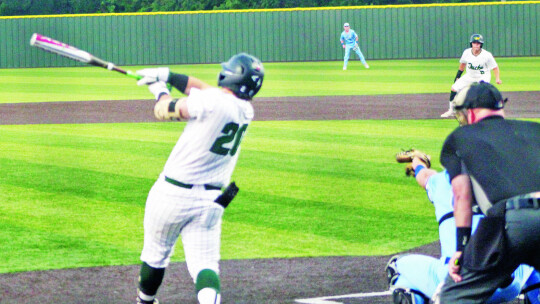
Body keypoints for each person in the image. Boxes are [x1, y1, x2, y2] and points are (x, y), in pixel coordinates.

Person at [133, 53, 264, 304]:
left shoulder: (212, 101)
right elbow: (207, 92)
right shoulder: (246, 110)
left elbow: (163, 111)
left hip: (171, 195)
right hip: (211, 201)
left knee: (156, 255)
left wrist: (160, 89)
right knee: (205, 265)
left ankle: (145, 302)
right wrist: (169, 76)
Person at [436, 82, 540, 303]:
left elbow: (462, 197)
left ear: (471, 112)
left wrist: (461, 250)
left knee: (453, 297)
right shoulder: (535, 130)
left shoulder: (460, 138)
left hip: (510, 219)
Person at [386, 156, 540, 304]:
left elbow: (424, 175)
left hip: (455, 283)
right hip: (506, 284)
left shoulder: (440, 181)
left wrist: (418, 162)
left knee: (397, 266)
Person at [441, 34, 502, 118]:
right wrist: (457, 76)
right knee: (454, 88)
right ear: (471, 44)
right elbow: (462, 64)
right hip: (469, 75)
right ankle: (452, 111)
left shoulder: (487, 55)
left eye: (478, 43)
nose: (476, 44)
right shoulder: (466, 52)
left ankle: (485, 112)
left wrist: (497, 78)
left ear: (481, 44)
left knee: (481, 93)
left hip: (483, 76)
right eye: (474, 43)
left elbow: (495, 67)